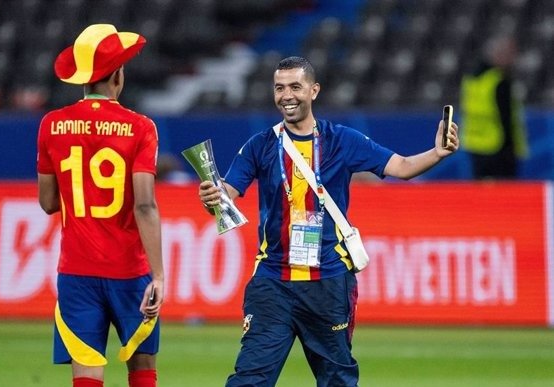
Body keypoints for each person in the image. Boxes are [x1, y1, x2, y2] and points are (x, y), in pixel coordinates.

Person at [198, 56, 459, 387]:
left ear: (314, 90)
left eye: (295, 86)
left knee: (337, 380)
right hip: (272, 283)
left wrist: (437, 152)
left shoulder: (341, 140)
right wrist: (212, 198)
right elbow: (227, 196)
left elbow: (403, 167)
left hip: (329, 283)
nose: (286, 95)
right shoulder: (259, 145)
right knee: (249, 379)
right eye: (279, 88)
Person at [37, 24, 164, 387]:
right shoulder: (141, 128)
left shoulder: (51, 125)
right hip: (129, 270)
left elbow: (47, 202)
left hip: (77, 271)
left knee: (87, 374)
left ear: (83, 79)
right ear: (117, 75)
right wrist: (158, 275)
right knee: (142, 368)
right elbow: (144, 206)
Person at [460, 34, 528, 179]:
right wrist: (512, 149)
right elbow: (506, 117)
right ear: (499, 55)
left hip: (475, 143)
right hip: (498, 145)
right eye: (510, 54)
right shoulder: (499, 81)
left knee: (482, 194)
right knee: (503, 196)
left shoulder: (471, 78)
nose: (513, 59)